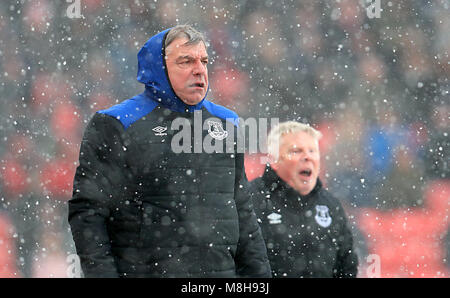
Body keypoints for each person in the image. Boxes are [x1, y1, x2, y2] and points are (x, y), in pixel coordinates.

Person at [68, 25, 271, 278]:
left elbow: (243, 213)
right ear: (159, 68)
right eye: (186, 61)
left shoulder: (227, 123)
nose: (199, 69)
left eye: (204, 61)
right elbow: (88, 213)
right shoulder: (117, 123)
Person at [250, 121, 358, 277]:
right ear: (274, 160)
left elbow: (347, 267)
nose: (307, 157)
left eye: (312, 151)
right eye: (296, 151)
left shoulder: (331, 205)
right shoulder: (249, 201)